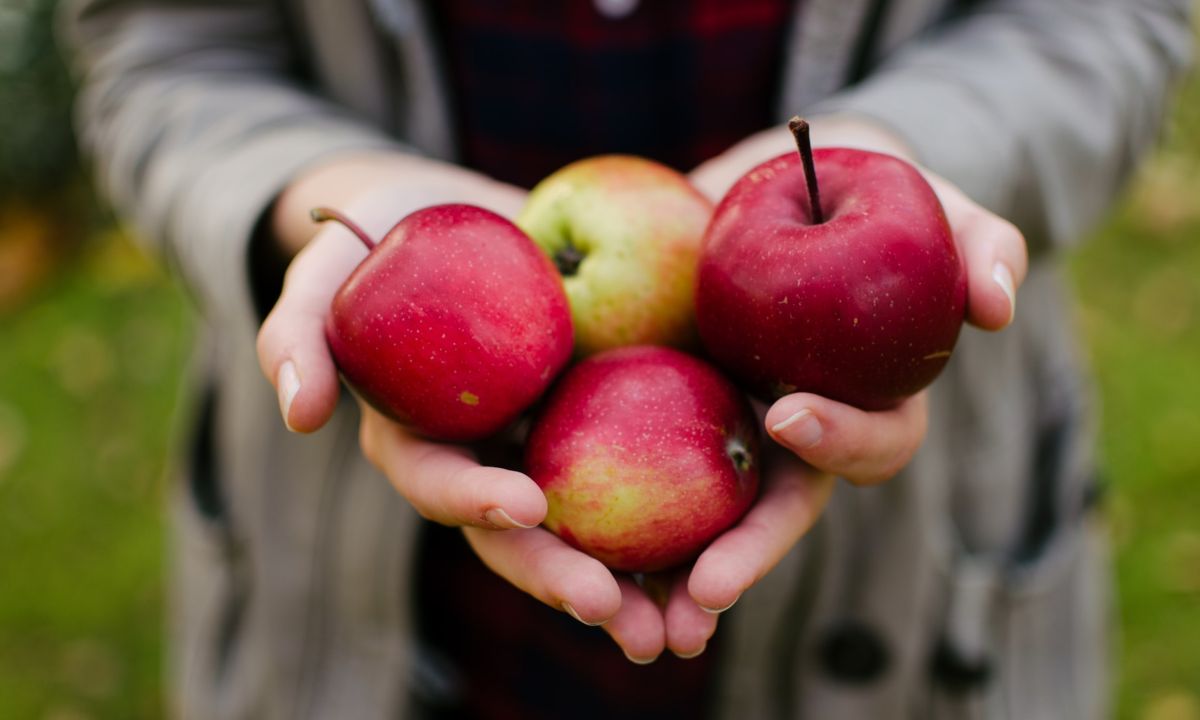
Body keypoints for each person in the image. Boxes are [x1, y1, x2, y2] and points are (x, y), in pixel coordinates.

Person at [63, 0, 1192, 717]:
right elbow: (164, 49)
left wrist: (905, 153)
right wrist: (325, 195)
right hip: (375, 597)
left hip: (911, 586)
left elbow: (1106, 20)